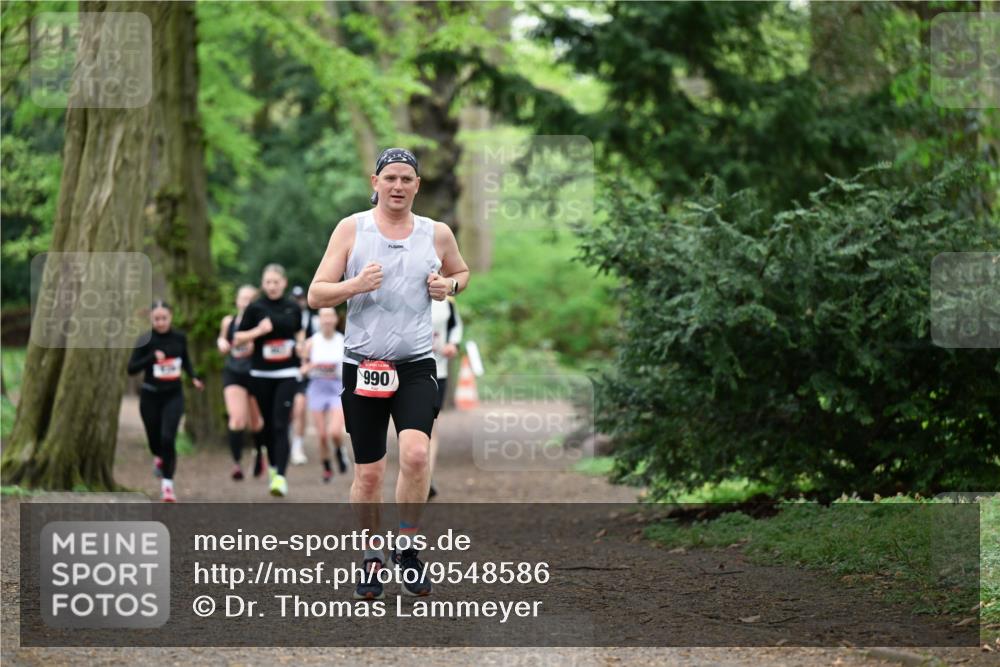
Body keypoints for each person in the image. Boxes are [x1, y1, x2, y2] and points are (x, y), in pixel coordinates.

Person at [308, 147, 469, 599]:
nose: (398, 185)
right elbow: (316, 294)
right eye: (390, 177)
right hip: (363, 364)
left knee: (416, 456)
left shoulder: (436, 233)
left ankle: (408, 549)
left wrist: (449, 285)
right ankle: (371, 556)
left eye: (406, 179)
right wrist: (355, 285)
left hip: (416, 363)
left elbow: (461, 272)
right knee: (370, 474)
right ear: (375, 182)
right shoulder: (352, 229)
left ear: (417, 186)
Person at [234, 264, 304, 497]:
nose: (272, 286)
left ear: (284, 283)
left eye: (276, 282)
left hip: (287, 373)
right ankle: (273, 466)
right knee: (268, 426)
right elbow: (238, 338)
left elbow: (296, 329)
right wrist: (258, 332)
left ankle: (281, 477)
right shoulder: (255, 308)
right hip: (261, 374)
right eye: (268, 282)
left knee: (280, 423)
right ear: (263, 284)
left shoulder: (293, 307)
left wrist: (300, 345)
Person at [127, 300, 205, 502]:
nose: (160, 322)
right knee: (155, 442)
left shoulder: (179, 337)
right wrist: (151, 357)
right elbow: (131, 369)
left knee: (168, 438)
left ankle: (167, 486)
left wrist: (194, 377)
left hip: (173, 395)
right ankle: (159, 457)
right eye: (156, 319)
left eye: (164, 318)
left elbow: (185, 361)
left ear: (171, 317)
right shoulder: (145, 340)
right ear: (151, 319)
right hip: (150, 396)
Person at [217, 285, 267, 480]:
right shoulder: (228, 321)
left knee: (256, 423)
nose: (246, 302)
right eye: (243, 298)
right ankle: (237, 463)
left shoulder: (261, 325)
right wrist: (221, 343)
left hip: (255, 374)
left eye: (250, 299)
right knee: (237, 419)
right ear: (237, 301)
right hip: (234, 373)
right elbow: (222, 342)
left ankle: (259, 454)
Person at [299, 307, 348, 483]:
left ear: (335, 319)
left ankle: (339, 451)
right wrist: (311, 366)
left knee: (334, 432)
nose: (327, 320)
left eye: (330, 316)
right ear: (319, 321)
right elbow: (302, 370)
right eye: (323, 317)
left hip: (336, 389)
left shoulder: (343, 341)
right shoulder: (311, 342)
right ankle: (327, 468)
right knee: (321, 435)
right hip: (317, 388)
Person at [427, 296, 462, 499]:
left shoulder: (447, 301)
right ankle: (416, 474)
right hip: (408, 373)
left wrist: (453, 344)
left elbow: (456, 326)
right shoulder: (404, 292)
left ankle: (427, 477)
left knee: (430, 427)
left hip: (438, 372)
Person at [290, 284, 317, 465]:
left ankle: (297, 445)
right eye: (295, 299)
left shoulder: (313, 321)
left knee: (299, 408)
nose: (298, 302)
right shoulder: (284, 318)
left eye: (300, 299)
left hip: (305, 369)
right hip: (286, 368)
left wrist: (308, 361)